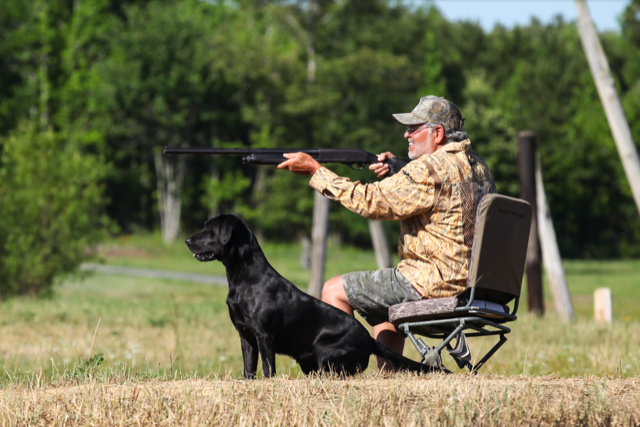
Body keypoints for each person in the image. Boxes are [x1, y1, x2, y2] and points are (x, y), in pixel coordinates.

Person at [277, 96, 496, 370]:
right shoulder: (479, 166)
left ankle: (339, 378)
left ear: (438, 133)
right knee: (380, 299)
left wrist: (317, 172)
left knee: (333, 290)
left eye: (414, 128)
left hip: (432, 286)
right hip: (474, 287)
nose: (406, 134)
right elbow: (444, 187)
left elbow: (370, 201)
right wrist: (400, 168)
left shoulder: (426, 171)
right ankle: (387, 379)